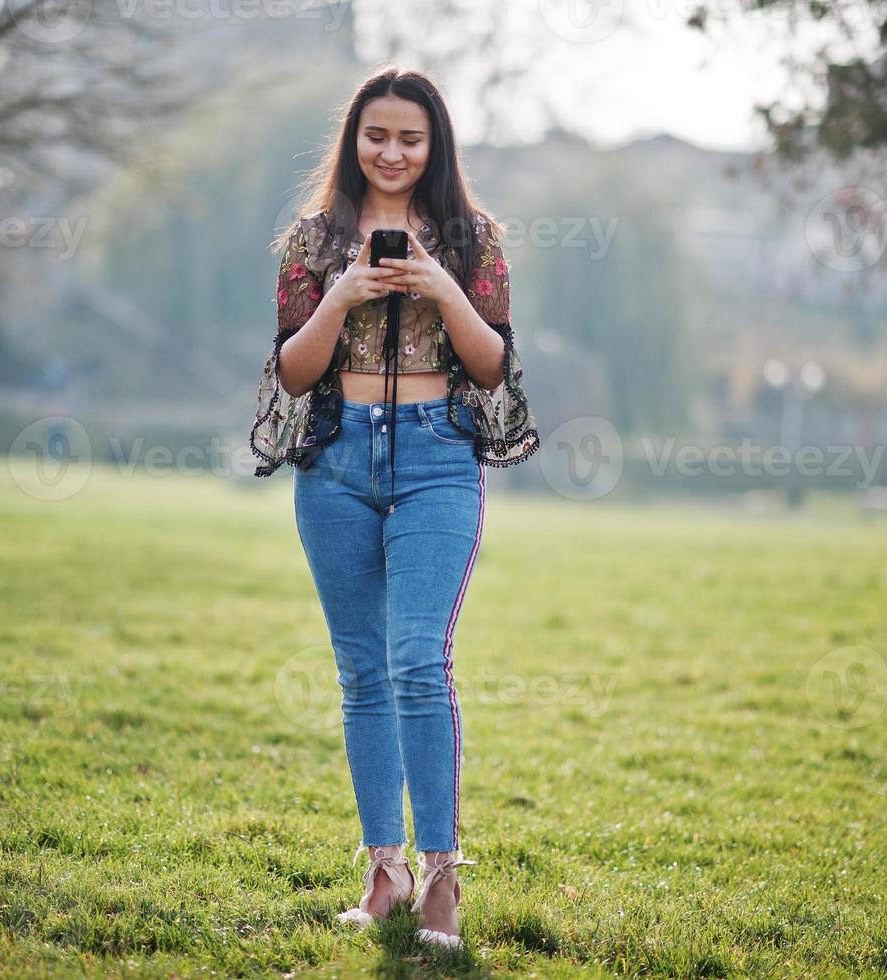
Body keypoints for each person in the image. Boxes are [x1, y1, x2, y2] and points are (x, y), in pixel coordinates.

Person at [248, 66, 540, 951]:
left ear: (433, 146)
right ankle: (384, 870)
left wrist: (439, 285)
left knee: (419, 658)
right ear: (353, 139)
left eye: (410, 137)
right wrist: (341, 293)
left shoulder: (470, 237)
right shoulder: (310, 238)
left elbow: (492, 367)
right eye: (376, 134)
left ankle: (443, 876)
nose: (392, 151)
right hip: (334, 462)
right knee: (361, 672)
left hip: (435, 460)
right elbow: (293, 374)